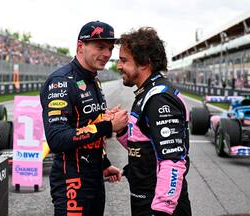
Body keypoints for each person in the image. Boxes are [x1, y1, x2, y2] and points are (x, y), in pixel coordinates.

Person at [40, 21, 129, 216]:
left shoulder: (93, 80)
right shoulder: (61, 82)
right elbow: (56, 138)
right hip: (71, 179)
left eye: (109, 48)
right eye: (100, 47)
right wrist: (108, 126)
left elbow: (87, 126)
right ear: (81, 46)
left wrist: (104, 164)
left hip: (95, 177)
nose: (107, 54)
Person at [116, 27, 191, 216]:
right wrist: (122, 130)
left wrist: (162, 210)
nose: (118, 66)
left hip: (159, 207)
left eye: (124, 60)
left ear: (144, 63)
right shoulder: (147, 93)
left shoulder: (159, 98)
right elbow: (147, 147)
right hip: (145, 199)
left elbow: (172, 160)